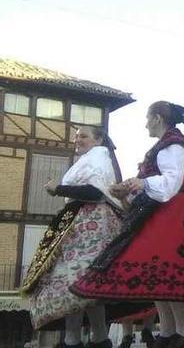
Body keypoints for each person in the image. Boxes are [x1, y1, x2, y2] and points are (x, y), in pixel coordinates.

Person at [71, 102, 184, 348]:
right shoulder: (164, 144)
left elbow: (171, 181)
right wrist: (128, 189)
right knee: (158, 272)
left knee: (168, 270)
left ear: (157, 118)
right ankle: (169, 331)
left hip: (172, 211)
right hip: (160, 211)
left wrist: (140, 183)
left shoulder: (173, 143)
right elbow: (154, 185)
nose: (145, 124)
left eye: (147, 118)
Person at [21, 126, 125, 348]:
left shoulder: (97, 158)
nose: (78, 140)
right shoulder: (94, 158)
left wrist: (59, 189)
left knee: (76, 282)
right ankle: (95, 338)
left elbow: (95, 192)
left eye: (84, 136)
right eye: (76, 136)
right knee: (85, 287)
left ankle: (75, 340)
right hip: (83, 223)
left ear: (98, 140)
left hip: (89, 226)